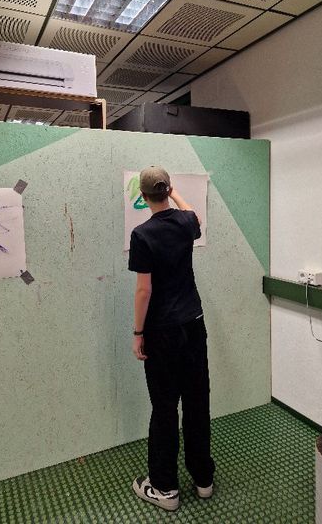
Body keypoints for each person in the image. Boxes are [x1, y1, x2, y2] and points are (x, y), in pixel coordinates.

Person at [128, 165, 215, 512]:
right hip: (193, 325)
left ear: (143, 195)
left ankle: (165, 489)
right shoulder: (185, 223)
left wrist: (138, 333)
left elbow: (144, 291)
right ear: (168, 191)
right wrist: (174, 192)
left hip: (161, 332)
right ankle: (203, 479)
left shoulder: (141, 234)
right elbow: (192, 212)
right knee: (197, 403)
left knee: (165, 409)